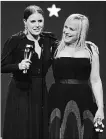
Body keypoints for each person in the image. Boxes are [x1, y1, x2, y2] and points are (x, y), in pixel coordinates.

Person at [1, 5, 58, 139]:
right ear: (25, 22)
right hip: (21, 91)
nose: (37, 25)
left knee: (40, 130)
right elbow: (2, 66)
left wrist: (87, 46)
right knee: (22, 130)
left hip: (40, 91)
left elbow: (66, 47)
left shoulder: (49, 40)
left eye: (40, 21)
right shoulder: (15, 40)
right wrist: (18, 66)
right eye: (33, 21)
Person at [48, 13, 105, 139]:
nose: (66, 31)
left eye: (71, 29)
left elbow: (95, 81)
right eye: (66, 27)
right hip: (58, 99)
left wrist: (100, 108)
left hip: (84, 100)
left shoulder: (91, 50)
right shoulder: (54, 47)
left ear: (81, 32)